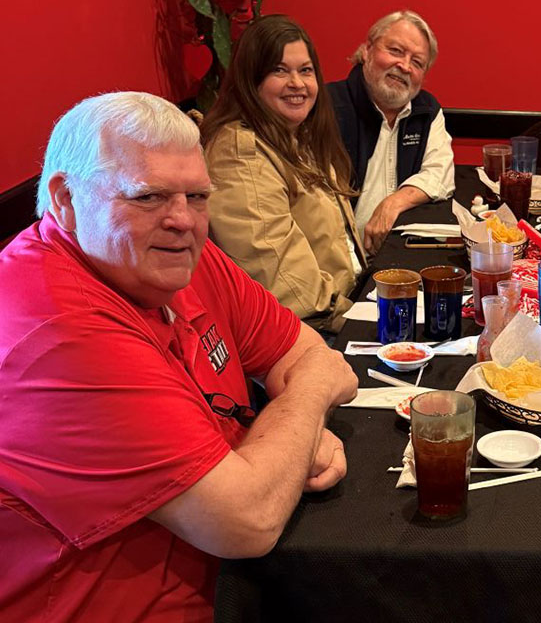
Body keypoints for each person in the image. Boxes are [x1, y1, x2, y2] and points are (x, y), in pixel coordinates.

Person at [0, 92, 358, 621]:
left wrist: (285, 436)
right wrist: (302, 416)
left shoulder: (169, 257)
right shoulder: (56, 331)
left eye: (197, 196)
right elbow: (246, 520)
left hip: (237, 585)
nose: (183, 221)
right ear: (66, 200)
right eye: (148, 197)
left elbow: (315, 356)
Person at [202, 14, 365, 333]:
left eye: (305, 70)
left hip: (345, 306)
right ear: (251, 80)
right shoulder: (240, 153)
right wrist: (366, 322)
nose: (298, 83)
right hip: (313, 332)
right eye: (280, 70)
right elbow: (289, 288)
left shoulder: (297, 135)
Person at [328, 10, 455, 254]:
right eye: (396, 51)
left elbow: (441, 172)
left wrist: (394, 203)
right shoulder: (327, 107)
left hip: (396, 254)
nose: (404, 66)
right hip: (339, 261)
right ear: (367, 51)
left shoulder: (426, 111)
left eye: (417, 62)